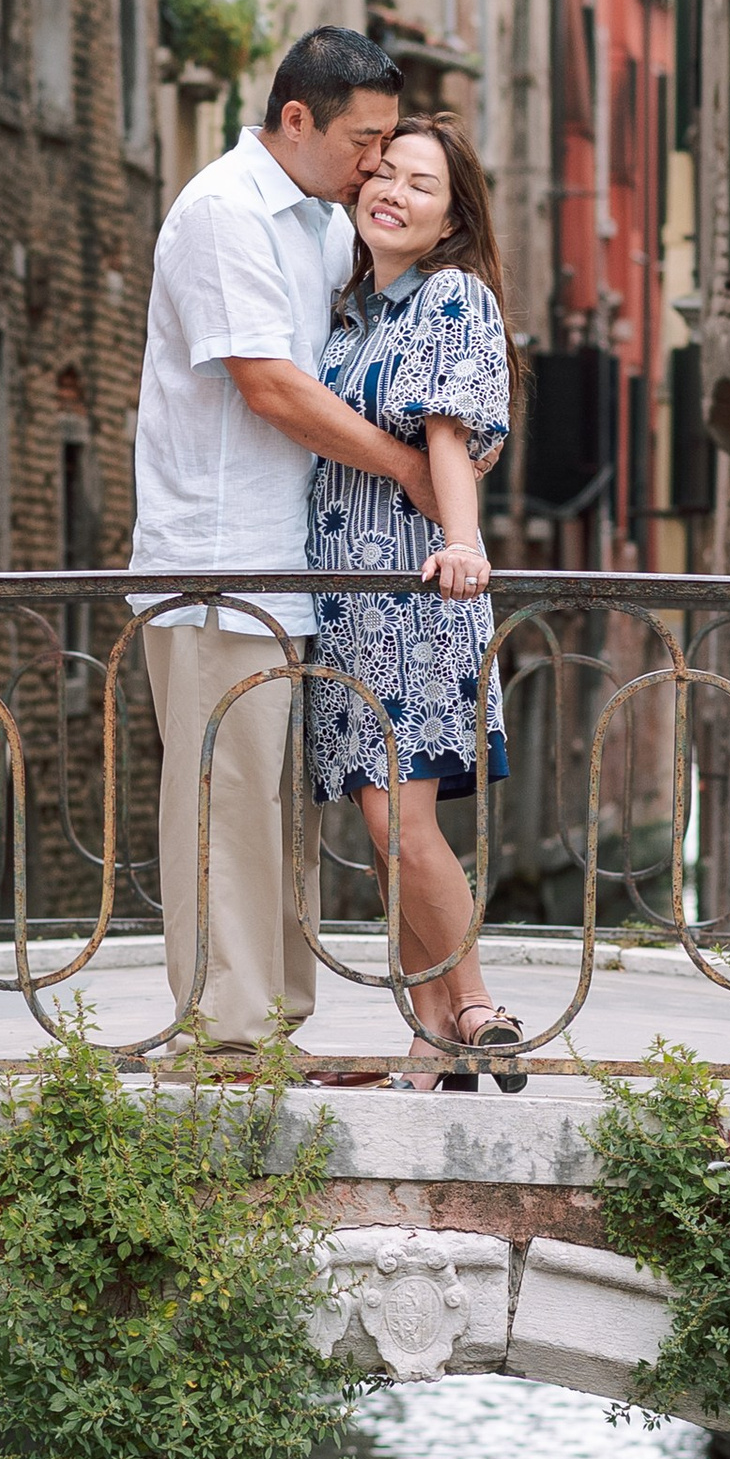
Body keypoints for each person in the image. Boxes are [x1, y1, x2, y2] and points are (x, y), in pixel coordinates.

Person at [129, 26, 434, 1064]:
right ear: (295, 119)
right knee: (225, 805)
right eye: (363, 141)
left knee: (282, 811)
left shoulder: (317, 221)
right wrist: (407, 469)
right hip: (218, 567)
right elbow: (269, 386)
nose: (376, 164)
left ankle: (272, 1029)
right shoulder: (223, 211)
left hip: (294, 568)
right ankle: (224, 1038)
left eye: (388, 142)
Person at [305, 116, 527, 1093]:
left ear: (450, 219)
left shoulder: (451, 294)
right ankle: (431, 1036)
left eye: (420, 184)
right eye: (383, 172)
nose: (392, 191)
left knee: (402, 823)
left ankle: (476, 1006)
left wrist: (464, 542)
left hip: (417, 595)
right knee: (382, 830)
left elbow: (449, 433)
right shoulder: (353, 311)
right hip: (345, 606)